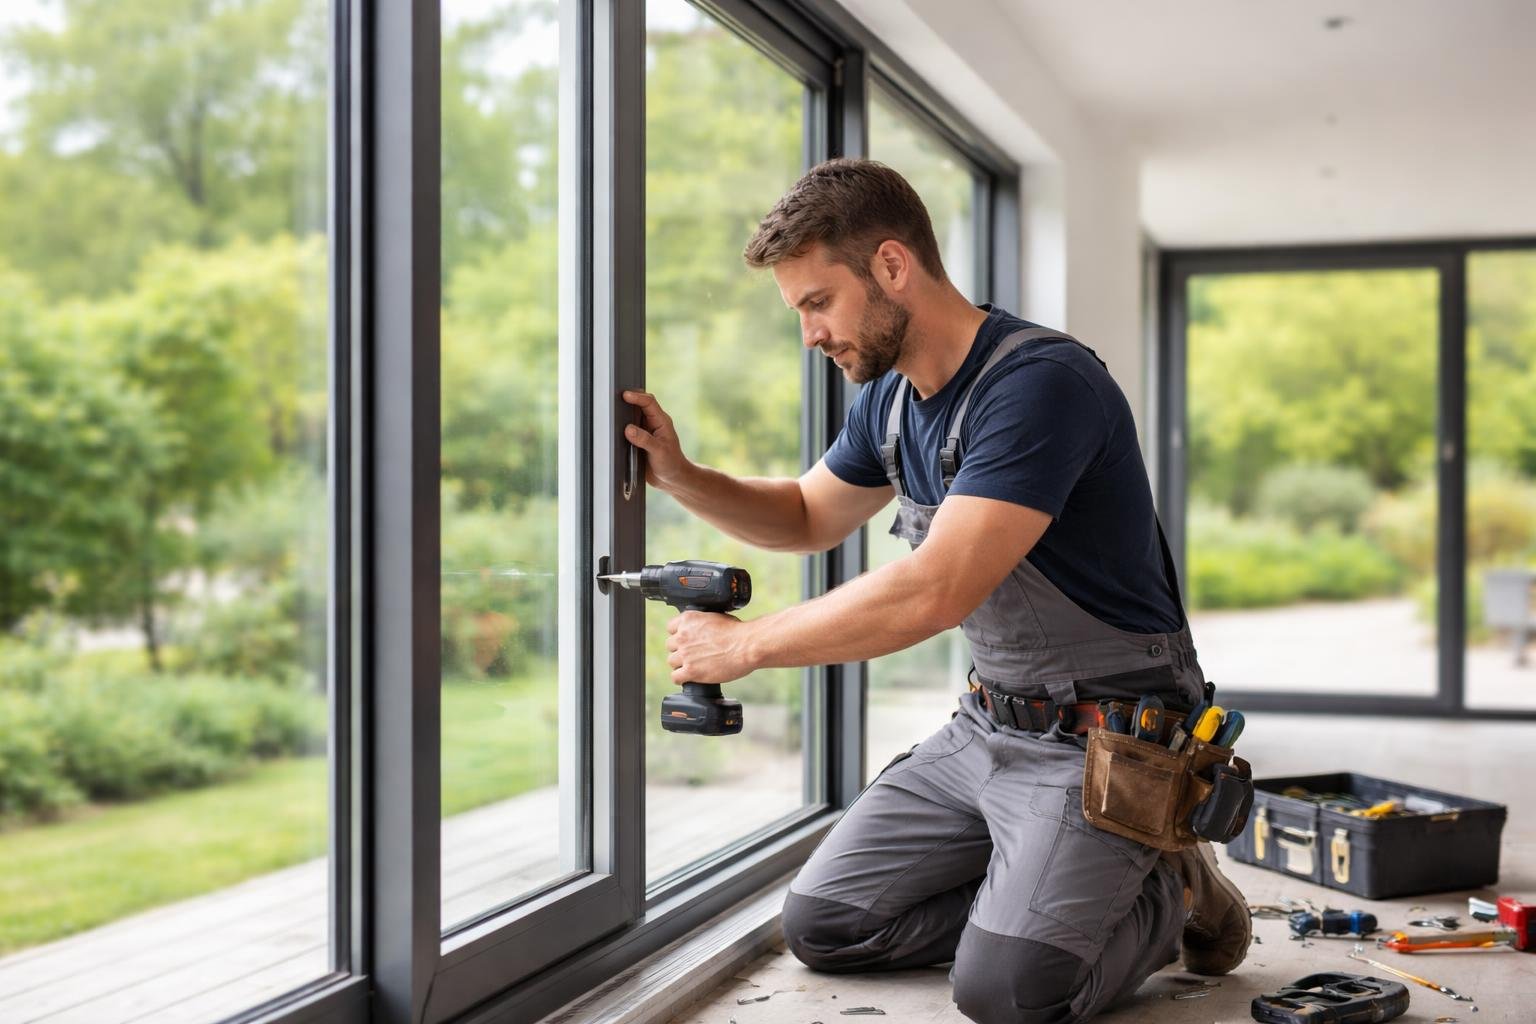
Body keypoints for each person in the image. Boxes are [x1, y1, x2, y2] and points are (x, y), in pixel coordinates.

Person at [620, 158, 1250, 1024]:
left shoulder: (1041, 386)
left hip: (1104, 742)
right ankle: (1050, 892)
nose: (809, 334)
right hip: (988, 726)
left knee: (1010, 991)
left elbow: (936, 588)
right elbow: (805, 514)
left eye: (818, 302)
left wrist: (747, 645)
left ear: (891, 265)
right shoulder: (888, 402)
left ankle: (1168, 885)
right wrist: (680, 475)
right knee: (825, 924)